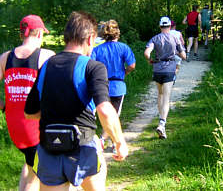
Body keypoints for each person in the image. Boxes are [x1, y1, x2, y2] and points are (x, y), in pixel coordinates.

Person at [24, 11, 128, 191]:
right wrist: (119, 142)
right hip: (83, 148)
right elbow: (104, 109)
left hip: (50, 149)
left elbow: (30, 112)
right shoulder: (93, 67)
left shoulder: (46, 66)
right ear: (89, 39)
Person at [0, 14, 55, 191]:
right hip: (36, 127)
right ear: (39, 34)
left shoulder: (5, 58)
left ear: (22, 34)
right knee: (47, 175)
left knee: (30, 165)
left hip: (15, 126)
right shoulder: (46, 56)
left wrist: (4, 106)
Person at [91, 19, 136, 151]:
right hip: (118, 86)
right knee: (114, 115)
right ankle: (105, 140)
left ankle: (108, 141)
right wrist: (124, 73)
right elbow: (132, 65)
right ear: (117, 33)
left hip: (101, 85)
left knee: (104, 115)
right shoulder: (123, 48)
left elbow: (91, 66)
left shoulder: (97, 49)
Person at [144, 16, 186, 139]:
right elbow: (183, 55)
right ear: (169, 26)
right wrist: (175, 52)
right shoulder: (175, 38)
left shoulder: (155, 38)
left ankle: (160, 118)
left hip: (157, 69)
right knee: (166, 97)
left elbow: (147, 53)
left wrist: (150, 60)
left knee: (160, 94)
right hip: (169, 69)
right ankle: (162, 124)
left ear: (160, 26)